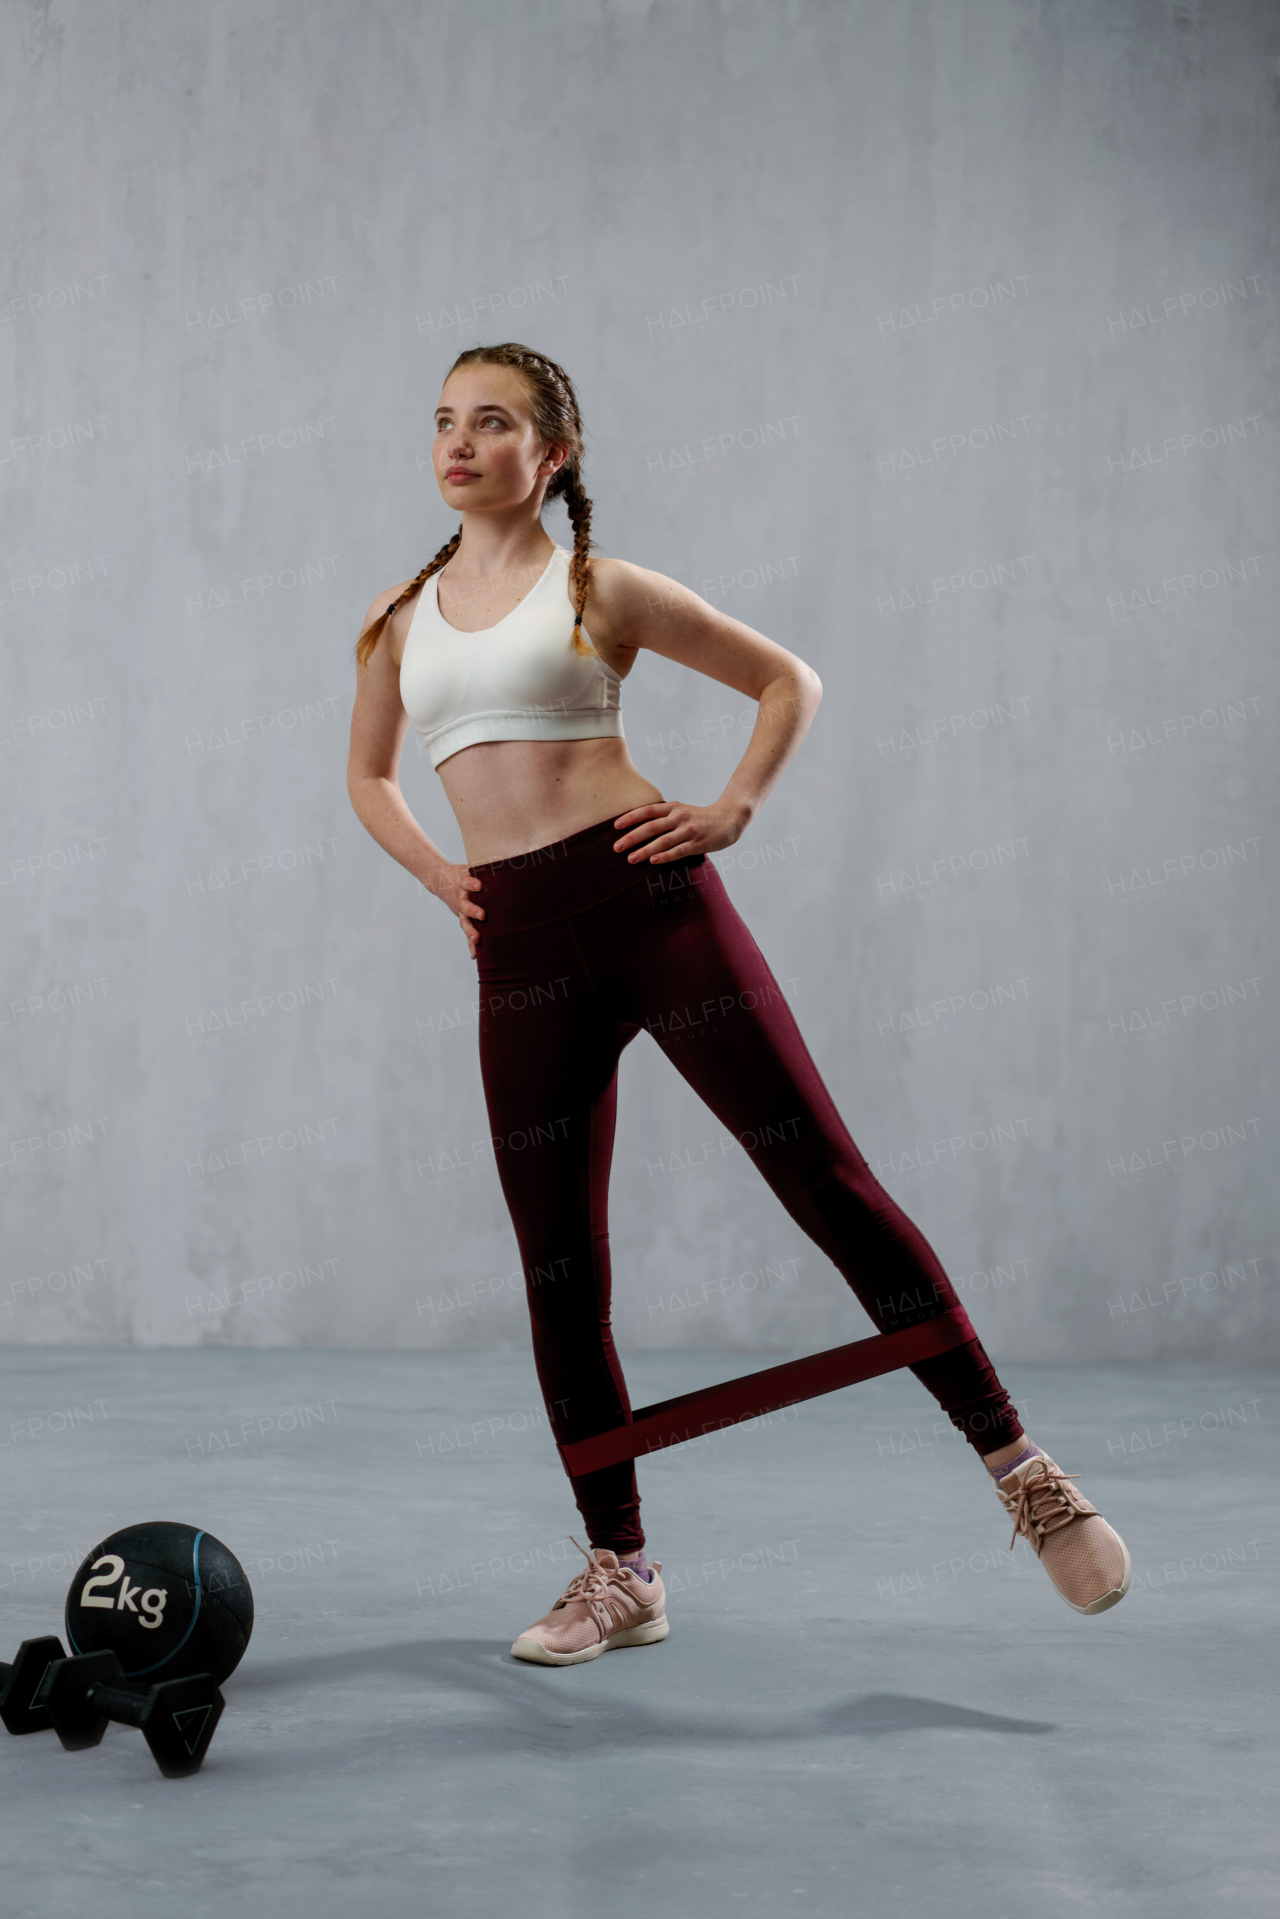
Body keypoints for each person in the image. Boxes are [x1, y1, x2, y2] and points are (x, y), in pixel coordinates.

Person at [346, 341, 1130, 1666]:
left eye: (493, 423)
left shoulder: (603, 586)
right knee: (559, 1270)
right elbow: (369, 777)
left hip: (652, 910)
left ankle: (1023, 1470)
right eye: (442, 422)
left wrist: (733, 807)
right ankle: (622, 1569)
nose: (458, 443)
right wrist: (443, 880)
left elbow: (788, 679)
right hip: (521, 948)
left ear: (556, 453)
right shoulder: (394, 621)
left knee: (824, 1180)